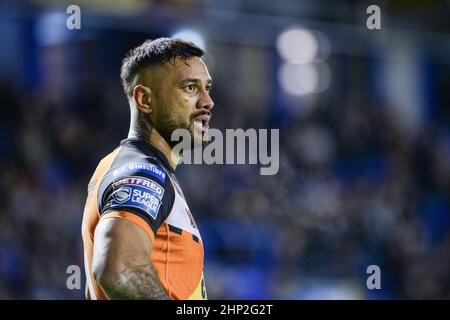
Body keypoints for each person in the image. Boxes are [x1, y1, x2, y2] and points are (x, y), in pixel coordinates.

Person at [81, 38, 214, 300]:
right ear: (144, 99)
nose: (207, 101)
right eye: (190, 88)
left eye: (207, 88)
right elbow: (120, 271)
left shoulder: (122, 165)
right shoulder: (142, 172)